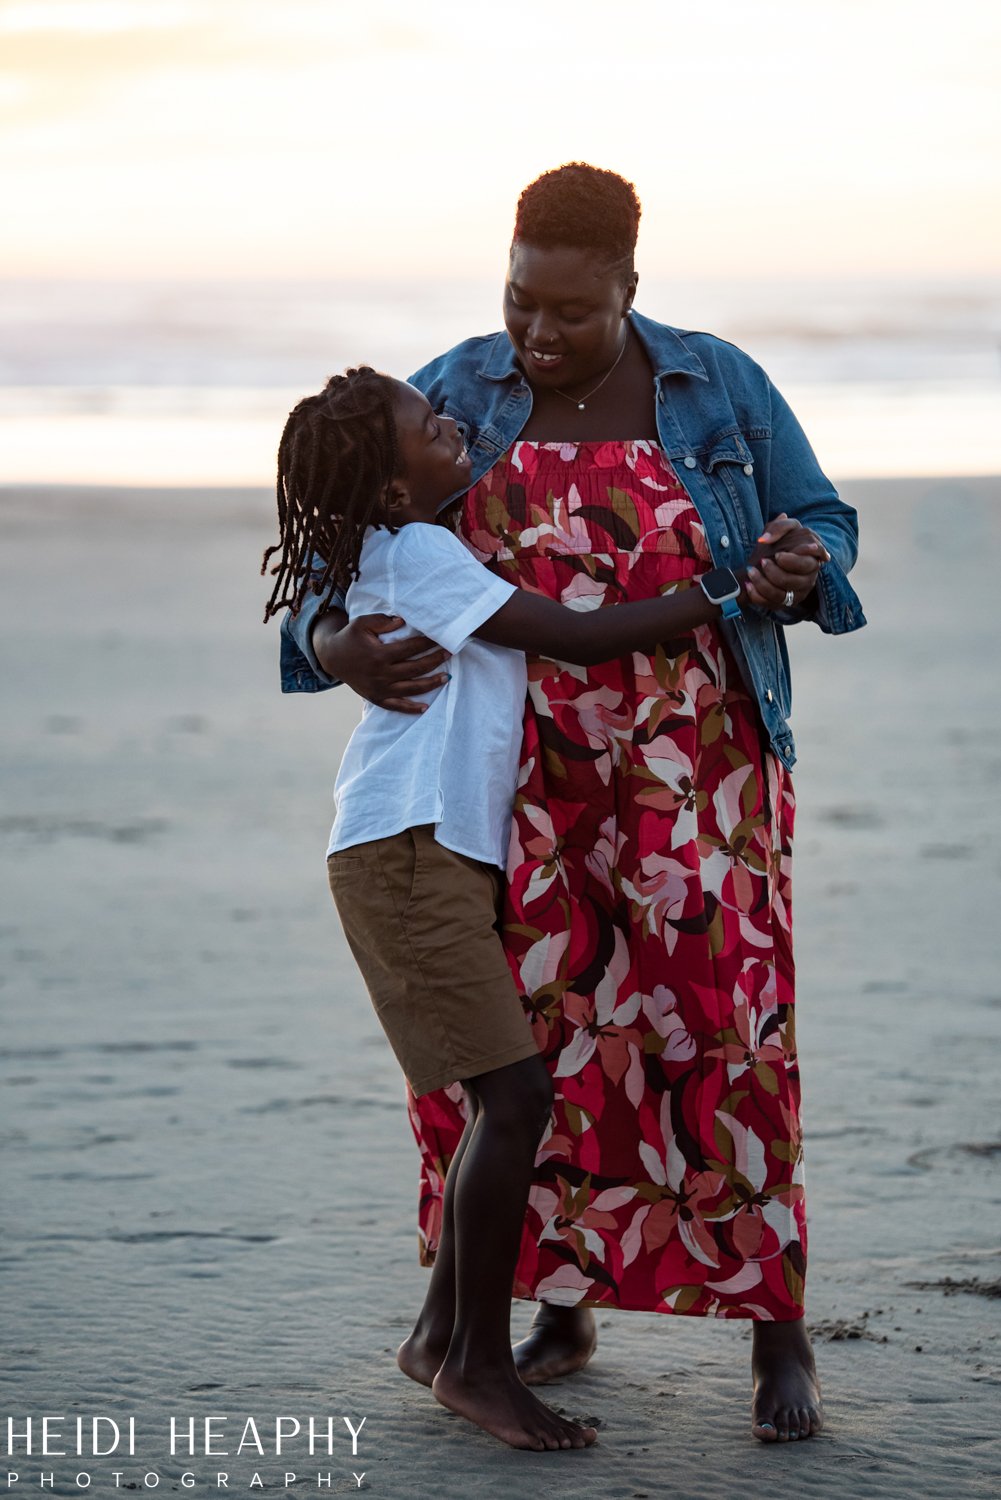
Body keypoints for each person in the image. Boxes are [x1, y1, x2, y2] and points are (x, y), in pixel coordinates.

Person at [280, 164, 865, 1445]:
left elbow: (817, 516)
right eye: (517, 303)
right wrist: (337, 648)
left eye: (570, 314)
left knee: (723, 1036)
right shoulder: (453, 386)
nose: (537, 337)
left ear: (628, 292)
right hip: (517, 790)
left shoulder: (714, 382)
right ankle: (551, 1305)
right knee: (536, 1049)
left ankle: (778, 1329)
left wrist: (801, 559)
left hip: (698, 776)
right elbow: (332, 551)